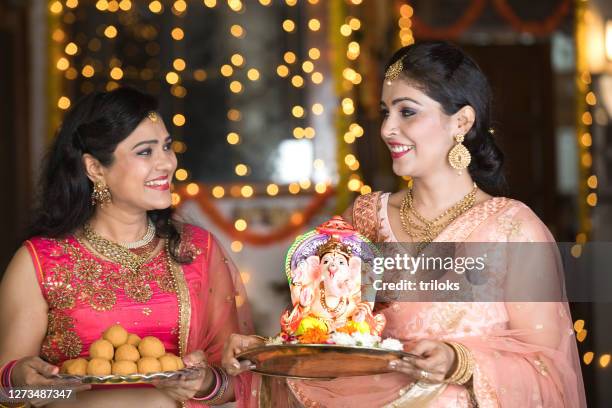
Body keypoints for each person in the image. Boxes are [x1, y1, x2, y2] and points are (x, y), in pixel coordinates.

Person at [222, 41, 586, 407]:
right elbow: (325, 332)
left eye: (407, 112)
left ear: (461, 121)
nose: (387, 129)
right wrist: (269, 352)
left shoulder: (513, 230)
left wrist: (461, 363)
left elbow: (547, 371)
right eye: (385, 112)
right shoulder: (363, 220)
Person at [0, 87, 252, 407]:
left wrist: (205, 384)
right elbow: (8, 393)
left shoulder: (196, 250)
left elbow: (237, 379)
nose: (166, 164)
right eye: (145, 152)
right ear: (95, 168)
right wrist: (37, 385)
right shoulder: (40, 262)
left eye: (167, 146)